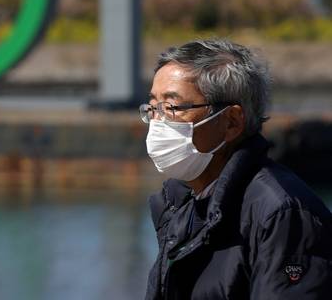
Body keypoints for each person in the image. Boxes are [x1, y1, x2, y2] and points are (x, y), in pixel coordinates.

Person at [142, 39, 332, 299]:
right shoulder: (180, 203)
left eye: (172, 107)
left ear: (231, 122)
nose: (157, 121)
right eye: (153, 107)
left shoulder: (283, 214)